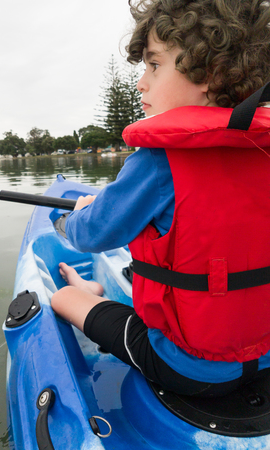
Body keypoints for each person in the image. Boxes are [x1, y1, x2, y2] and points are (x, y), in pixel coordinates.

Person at [51, 0, 270, 397]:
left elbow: (94, 234)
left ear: (211, 74)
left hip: (191, 368)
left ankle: (88, 291)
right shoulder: (263, 149)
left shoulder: (158, 162)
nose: (142, 83)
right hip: (266, 352)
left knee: (64, 297)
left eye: (154, 65)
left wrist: (69, 220)